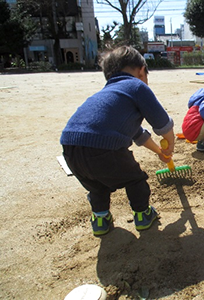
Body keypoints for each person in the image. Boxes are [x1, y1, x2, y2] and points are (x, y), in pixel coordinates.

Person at [60, 45, 175, 237]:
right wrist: (169, 142)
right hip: (103, 150)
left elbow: (137, 134)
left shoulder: (108, 96)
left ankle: (100, 219)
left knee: (97, 185)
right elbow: (162, 122)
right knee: (134, 178)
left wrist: (159, 151)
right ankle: (143, 214)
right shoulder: (137, 86)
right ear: (141, 71)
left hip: (71, 149)